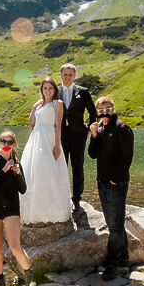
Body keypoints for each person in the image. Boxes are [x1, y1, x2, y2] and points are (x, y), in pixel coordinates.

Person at [87, 96, 134, 281]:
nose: (104, 113)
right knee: (113, 222)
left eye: (108, 109)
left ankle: (112, 263)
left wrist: (116, 179)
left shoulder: (122, 128)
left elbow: (127, 156)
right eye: (101, 110)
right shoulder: (100, 128)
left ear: (113, 109)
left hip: (116, 183)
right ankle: (124, 255)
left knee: (114, 227)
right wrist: (94, 135)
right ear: (97, 111)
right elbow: (92, 154)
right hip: (102, 181)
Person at [0, 129, 34, 286]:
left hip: (11, 208)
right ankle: (0, 280)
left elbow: (23, 189)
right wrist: (4, 170)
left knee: (15, 246)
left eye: (9, 142)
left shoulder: (17, 164)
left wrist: (18, 174)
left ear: (14, 145)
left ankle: (29, 274)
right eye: (3, 142)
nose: (6, 145)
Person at [20, 77, 72, 224]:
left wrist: (56, 145)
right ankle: (34, 211)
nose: (47, 91)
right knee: (34, 172)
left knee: (49, 171)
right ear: (41, 90)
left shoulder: (58, 103)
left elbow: (58, 125)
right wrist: (33, 108)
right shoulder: (39, 104)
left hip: (49, 139)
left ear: (54, 89)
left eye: (50, 88)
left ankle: (54, 211)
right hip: (35, 139)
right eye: (45, 88)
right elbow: (31, 123)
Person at [58, 63, 97, 214]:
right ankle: (62, 198)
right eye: (65, 74)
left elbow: (92, 112)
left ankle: (76, 199)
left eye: (70, 74)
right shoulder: (56, 91)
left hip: (78, 135)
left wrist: (88, 129)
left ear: (75, 76)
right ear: (60, 75)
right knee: (61, 167)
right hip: (60, 135)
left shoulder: (83, 91)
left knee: (77, 167)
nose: (68, 77)